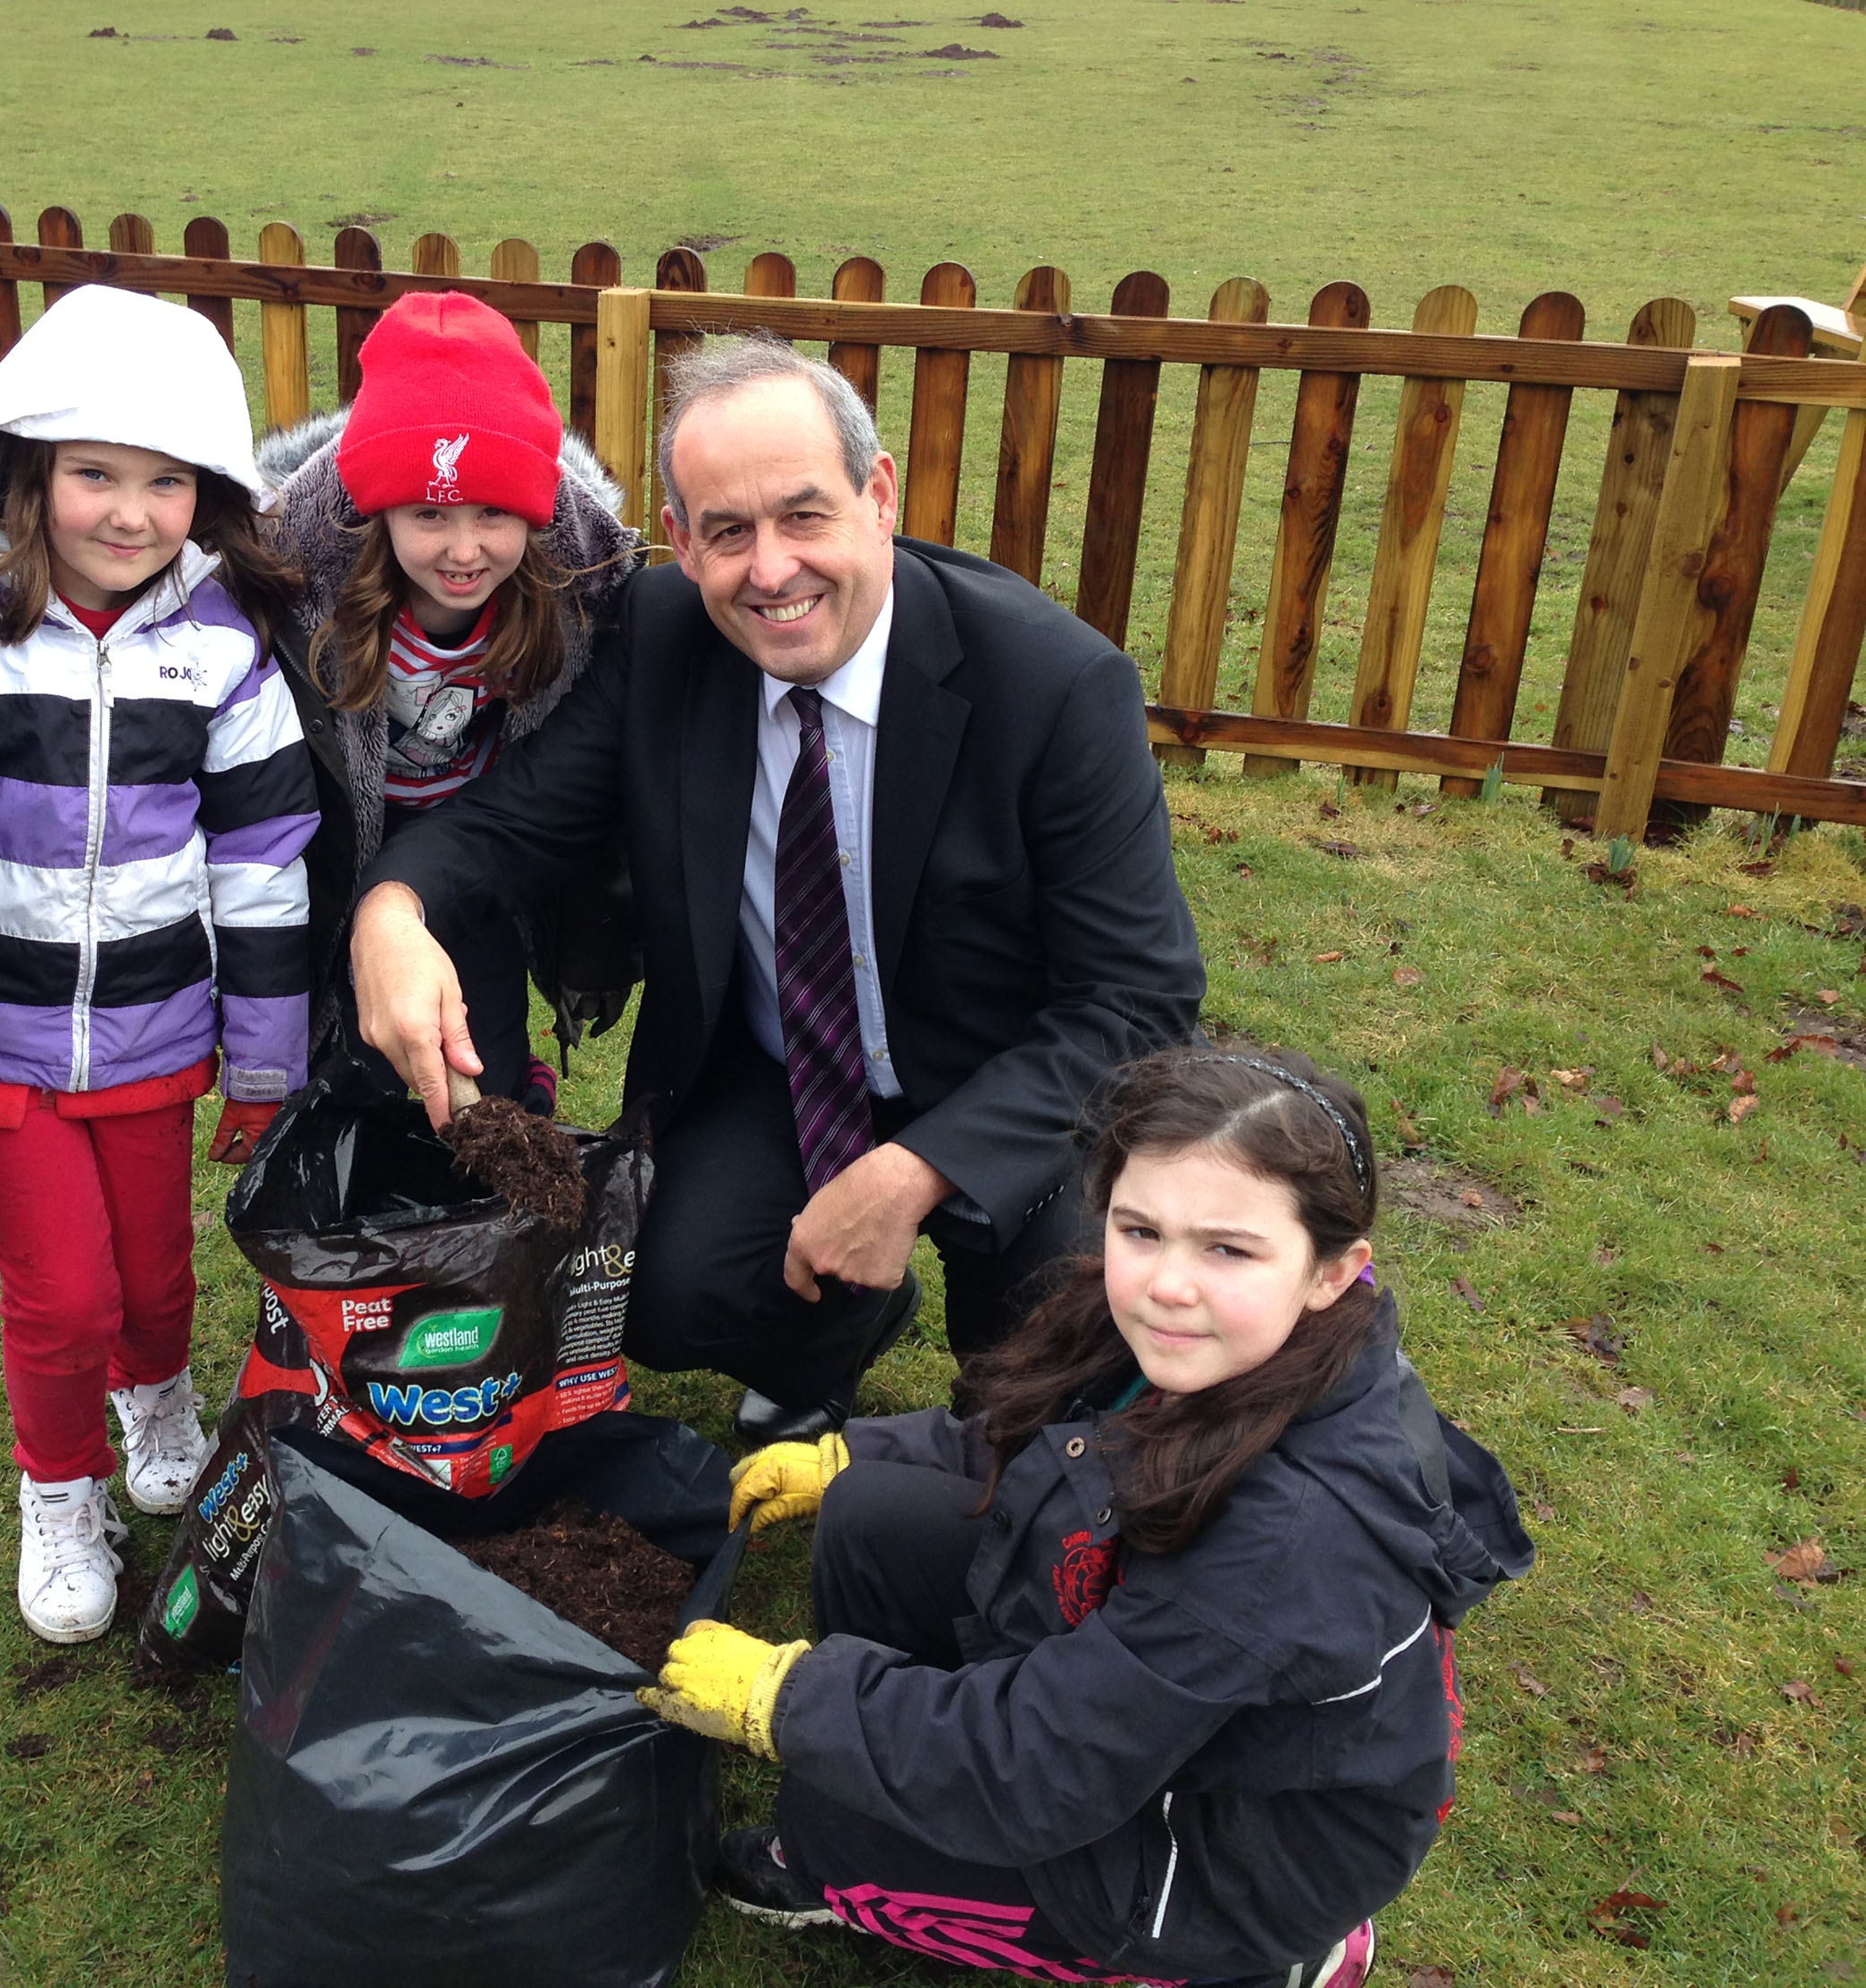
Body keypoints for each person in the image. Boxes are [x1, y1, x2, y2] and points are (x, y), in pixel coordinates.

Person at [352, 335, 1205, 1441]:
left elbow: (1135, 1001)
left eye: (804, 516)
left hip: (1018, 1088)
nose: (769, 570)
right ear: (680, 539)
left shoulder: (1058, 684)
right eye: (727, 532)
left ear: (879, 494)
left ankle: (1009, 1375)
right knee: (663, 1290)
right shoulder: (660, 639)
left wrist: (911, 1174)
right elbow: (511, 821)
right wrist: (393, 911)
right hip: (784, 1069)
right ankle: (841, 1332)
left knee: (1055, 1369)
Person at [635, 1049, 1533, 1986]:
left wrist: (792, 1699)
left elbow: (1037, 1766)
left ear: (1331, 1271)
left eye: (1228, 1247)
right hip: (1155, 1690)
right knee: (870, 1515)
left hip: (1226, 1846)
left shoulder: (1291, 1535)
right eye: (1140, 1229)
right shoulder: (1211, 1339)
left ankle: (1268, 1960)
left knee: (839, 1815)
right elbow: (1038, 1432)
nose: (1168, 1283)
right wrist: (855, 1454)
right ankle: (899, 1767)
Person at [0, 283, 319, 1644]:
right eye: (93, 474)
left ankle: (159, 1397)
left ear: (209, 493)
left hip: (151, 1030)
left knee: (154, 1275)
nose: (128, 513)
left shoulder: (223, 646)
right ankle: (58, 1492)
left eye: (165, 481)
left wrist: (262, 1056)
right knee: (59, 1297)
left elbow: (259, 858)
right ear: (22, 465)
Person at [259, 289, 639, 1116]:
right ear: (378, 507)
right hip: (331, 847)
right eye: (429, 512)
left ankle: (514, 1099)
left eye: (494, 513)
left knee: (478, 1032)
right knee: (351, 1060)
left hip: (478, 841)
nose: (464, 551)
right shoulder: (296, 587)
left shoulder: (577, 590)